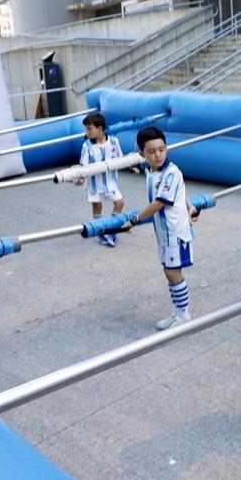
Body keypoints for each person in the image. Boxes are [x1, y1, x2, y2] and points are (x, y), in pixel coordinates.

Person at [120, 126, 198, 330]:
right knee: (168, 271)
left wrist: (134, 220)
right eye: (152, 151)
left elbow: (159, 203)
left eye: (162, 149)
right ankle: (177, 313)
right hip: (163, 233)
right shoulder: (151, 171)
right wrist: (189, 205)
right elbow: (180, 191)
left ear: (167, 148)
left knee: (173, 273)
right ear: (142, 154)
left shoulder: (171, 173)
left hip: (176, 233)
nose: (158, 155)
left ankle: (184, 315)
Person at [76, 112, 126, 247]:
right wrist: (81, 178)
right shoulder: (86, 146)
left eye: (89, 128)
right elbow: (83, 164)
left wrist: (132, 166)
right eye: (86, 129)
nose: (87, 132)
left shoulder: (114, 141)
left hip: (110, 182)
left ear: (100, 129)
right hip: (94, 184)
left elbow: (120, 158)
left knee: (120, 203)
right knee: (97, 206)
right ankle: (100, 232)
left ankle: (112, 229)